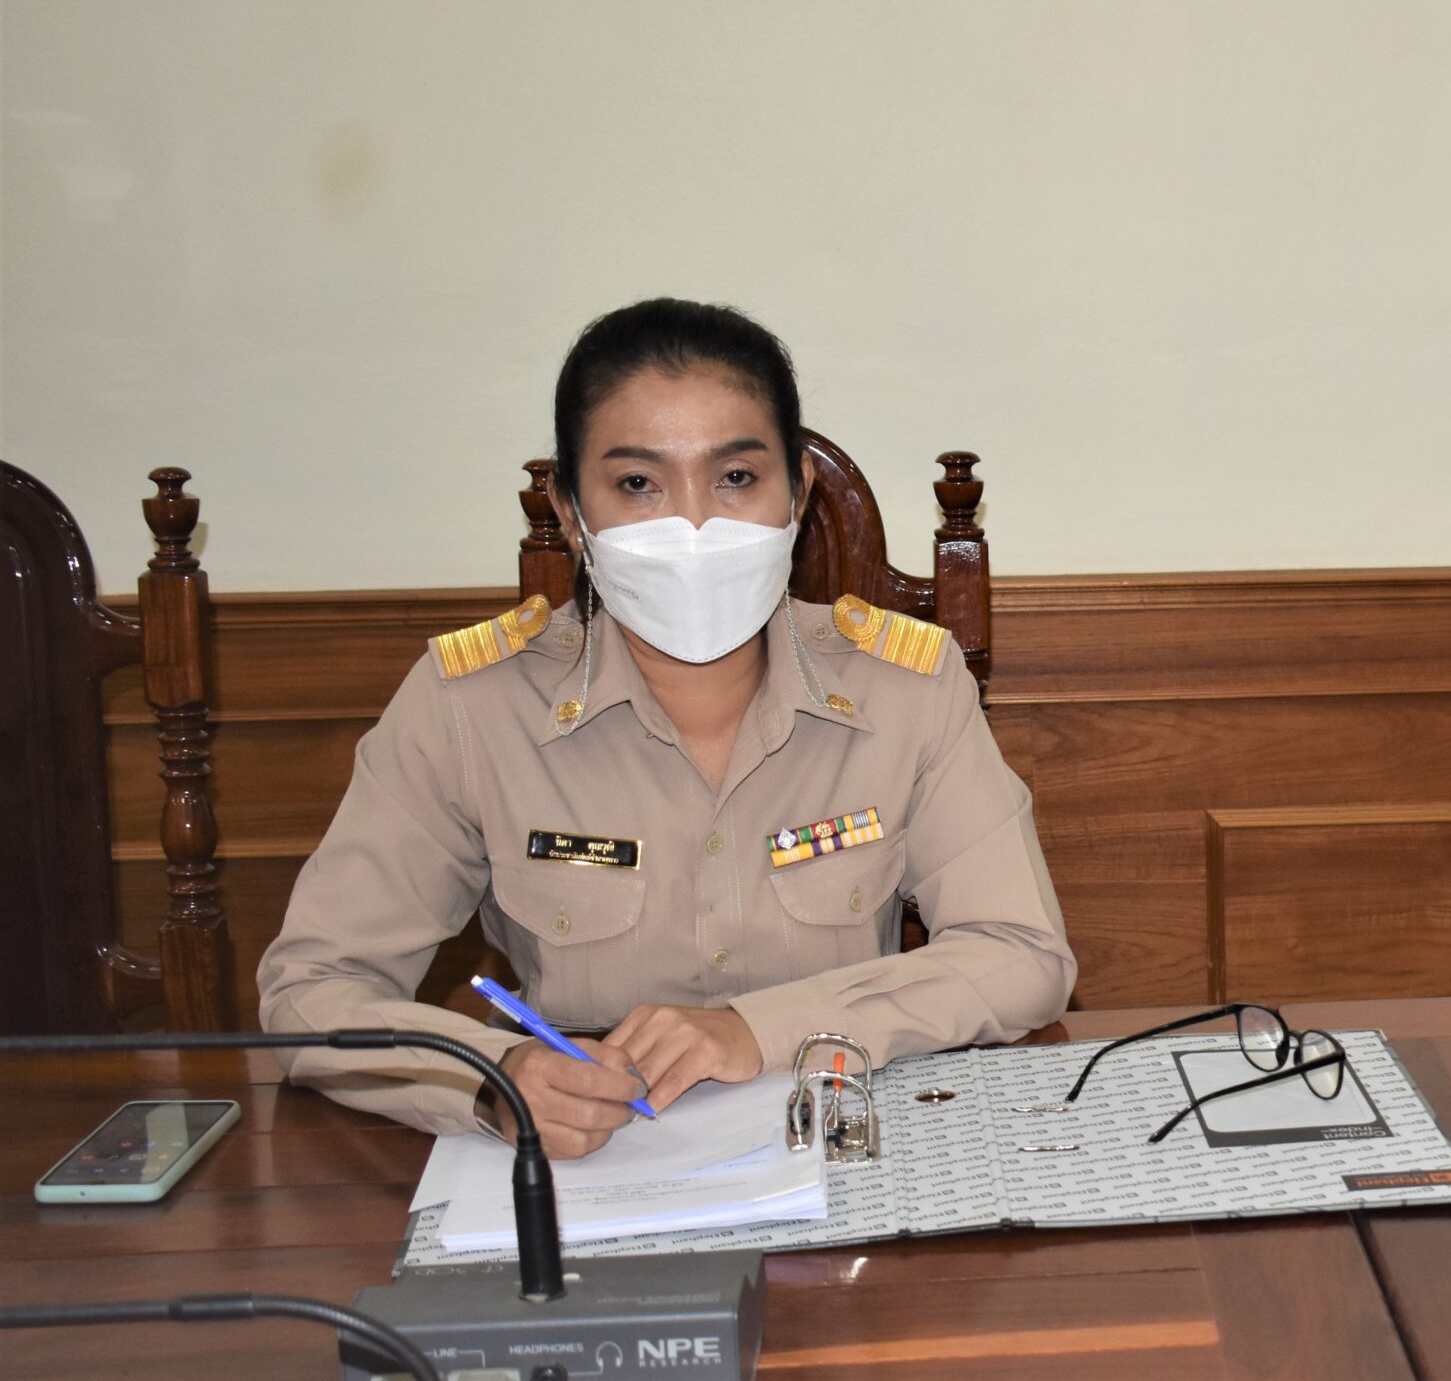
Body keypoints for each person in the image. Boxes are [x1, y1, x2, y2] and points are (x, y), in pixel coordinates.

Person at [258, 299, 1074, 1155]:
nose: (692, 526)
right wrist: (492, 1077)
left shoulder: (908, 686)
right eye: (638, 485)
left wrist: (759, 1030)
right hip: (586, 1166)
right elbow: (312, 988)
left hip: (835, 1148)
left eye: (736, 478)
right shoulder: (470, 705)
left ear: (797, 494)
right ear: (570, 512)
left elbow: (1022, 955)